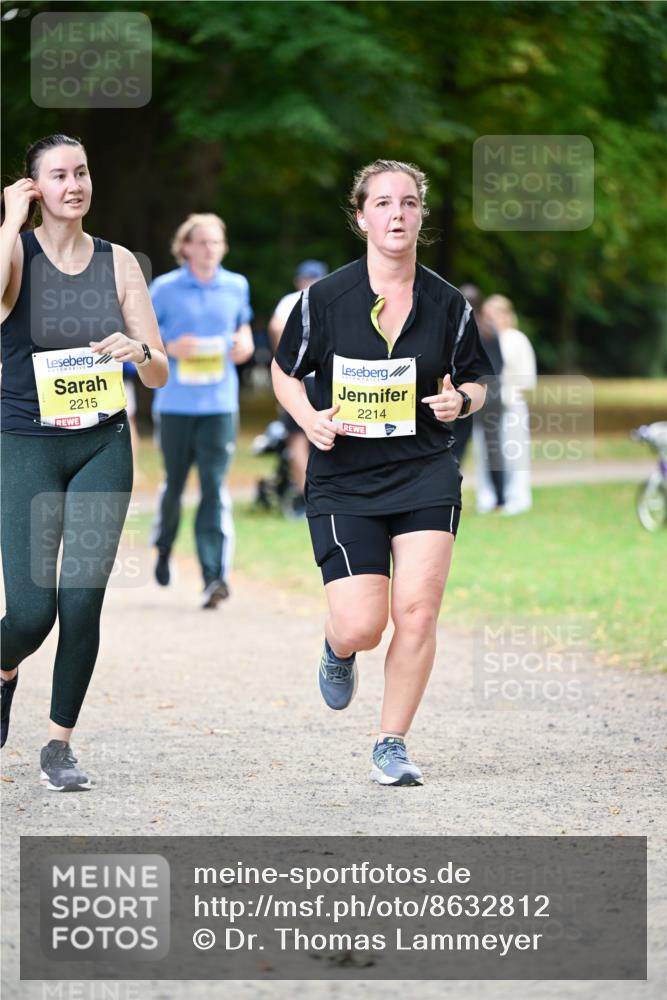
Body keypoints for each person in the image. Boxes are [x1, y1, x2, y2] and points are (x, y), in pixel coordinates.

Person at [272, 159, 494, 786]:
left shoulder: (448, 304)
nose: (397, 214)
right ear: (362, 215)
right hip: (344, 478)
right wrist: (308, 417)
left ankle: (391, 741)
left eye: (409, 204)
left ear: (422, 216)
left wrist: (463, 402)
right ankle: (337, 646)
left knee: (418, 612)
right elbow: (283, 371)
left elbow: (478, 379)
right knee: (363, 625)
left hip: (425, 469)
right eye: (384, 204)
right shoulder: (324, 299)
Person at [0, 134, 168, 789]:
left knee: (82, 601)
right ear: (34, 187)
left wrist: (140, 352)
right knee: (33, 612)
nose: (75, 184)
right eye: (59, 175)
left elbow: (158, 375)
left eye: (82, 172)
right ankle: (6, 667)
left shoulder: (119, 262)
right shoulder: (15, 254)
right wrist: (10, 221)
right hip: (25, 447)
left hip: (102, 444)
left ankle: (59, 745)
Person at [150, 213, 254, 607]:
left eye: (216, 242)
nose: (210, 249)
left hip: (220, 405)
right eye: (203, 242)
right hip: (175, 404)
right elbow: (141, 338)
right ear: (186, 247)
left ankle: (214, 576)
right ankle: (162, 547)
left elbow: (242, 326)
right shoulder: (164, 288)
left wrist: (243, 343)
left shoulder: (236, 286)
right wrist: (169, 347)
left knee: (213, 487)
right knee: (174, 485)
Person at [268, 260, 329, 515]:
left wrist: (282, 359)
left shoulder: (289, 301)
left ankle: (311, 497)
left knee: (298, 436)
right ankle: (317, 496)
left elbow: (275, 329)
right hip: (319, 377)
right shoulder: (330, 298)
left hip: (301, 377)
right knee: (308, 436)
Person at [479, 294, 537, 515]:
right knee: (487, 453)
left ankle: (517, 497)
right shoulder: (484, 338)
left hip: (511, 404)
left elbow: (527, 378)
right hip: (487, 407)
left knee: (514, 453)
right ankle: (491, 496)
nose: (490, 319)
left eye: (495, 314)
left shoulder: (516, 339)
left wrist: (505, 392)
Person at [451, 283, 506, 511]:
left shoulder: (459, 330)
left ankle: (452, 492)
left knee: (457, 447)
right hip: (491, 395)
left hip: (468, 394)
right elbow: (499, 364)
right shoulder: (490, 329)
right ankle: (500, 499)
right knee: (493, 449)